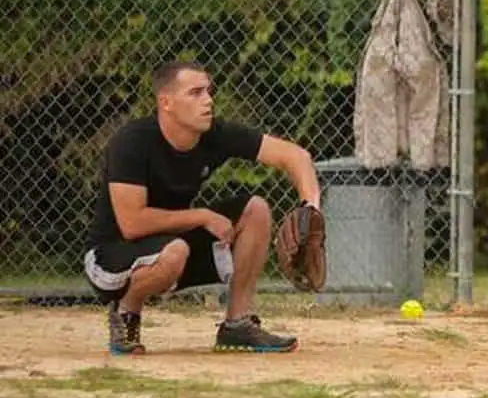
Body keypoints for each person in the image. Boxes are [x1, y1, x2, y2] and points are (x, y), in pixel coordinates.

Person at [83, 60, 322, 355]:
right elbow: (132, 223)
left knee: (255, 209)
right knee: (175, 252)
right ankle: (127, 311)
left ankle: (237, 325)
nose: (208, 100)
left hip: (172, 248)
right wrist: (203, 216)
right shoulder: (133, 141)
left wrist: (310, 208)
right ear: (166, 103)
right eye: (195, 93)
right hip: (111, 257)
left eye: (208, 91)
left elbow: (295, 156)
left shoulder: (212, 134)